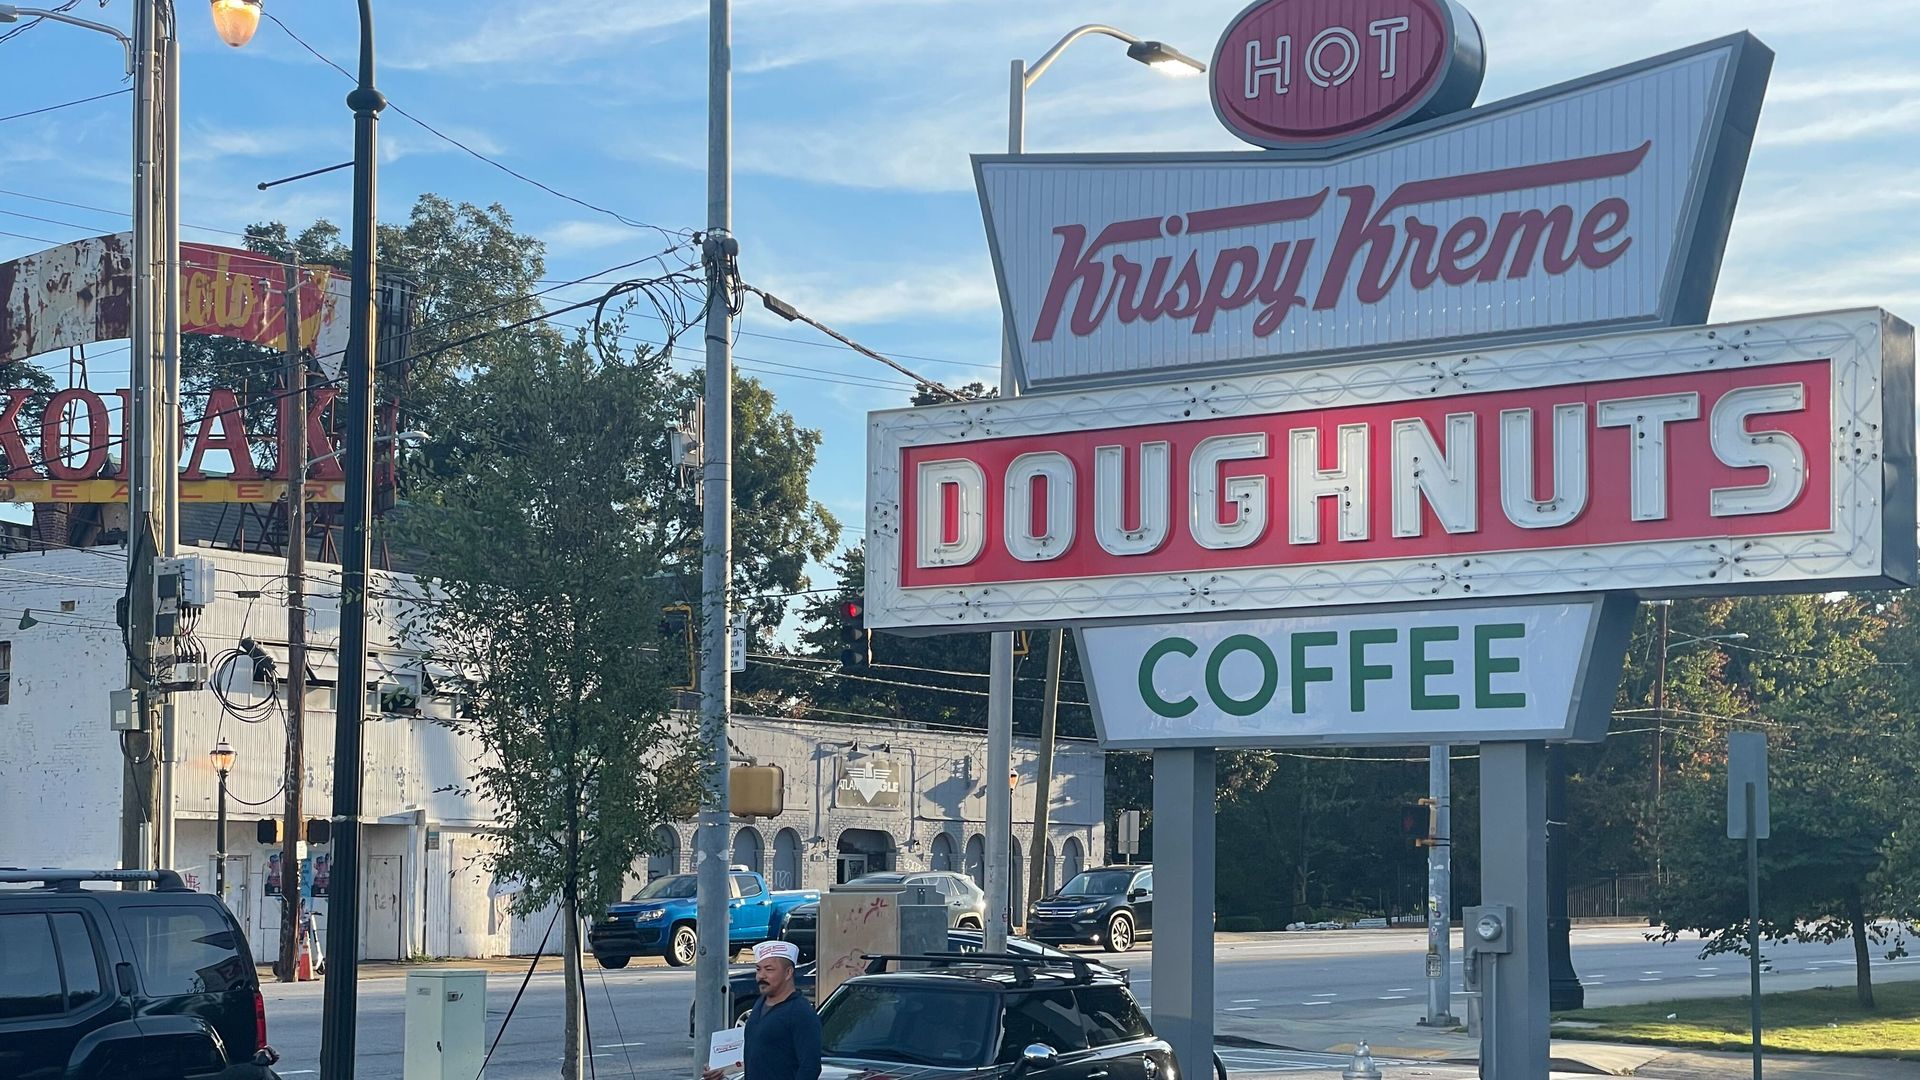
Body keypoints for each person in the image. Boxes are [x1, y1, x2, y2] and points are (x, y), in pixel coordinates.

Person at [702, 940, 820, 1080]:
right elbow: (756, 1059)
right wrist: (721, 1072)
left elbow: (810, 1067)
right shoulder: (760, 1003)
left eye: (769, 969)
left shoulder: (800, 1013)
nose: (761, 976)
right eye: (758, 969)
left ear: (788, 972)